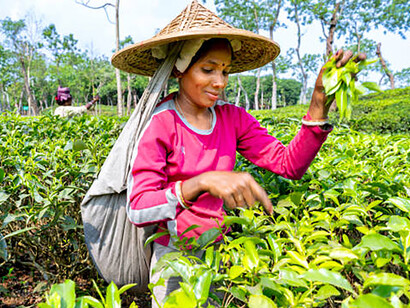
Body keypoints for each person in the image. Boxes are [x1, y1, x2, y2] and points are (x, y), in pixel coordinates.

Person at [110, 1, 365, 306]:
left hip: (218, 254)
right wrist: (202, 182)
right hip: (173, 259)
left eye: (225, 71)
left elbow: (288, 164)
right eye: (208, 69)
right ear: (180, 69)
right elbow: (138, 208)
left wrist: (319, 102)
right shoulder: (162, 124)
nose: (219, 82)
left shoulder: (233, 119)